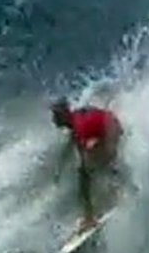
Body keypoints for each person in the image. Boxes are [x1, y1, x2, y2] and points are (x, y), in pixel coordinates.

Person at [51, 97, 127, 232]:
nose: (53, 119)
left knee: (84, 174)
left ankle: (90, 218)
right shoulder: (76, 118)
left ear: (63, 114)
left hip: (111, 131)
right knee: (92, 164)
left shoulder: (79, 127)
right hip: (111, 124)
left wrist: (96, 149)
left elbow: (90, 141)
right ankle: (116, 189)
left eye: (56, 115)